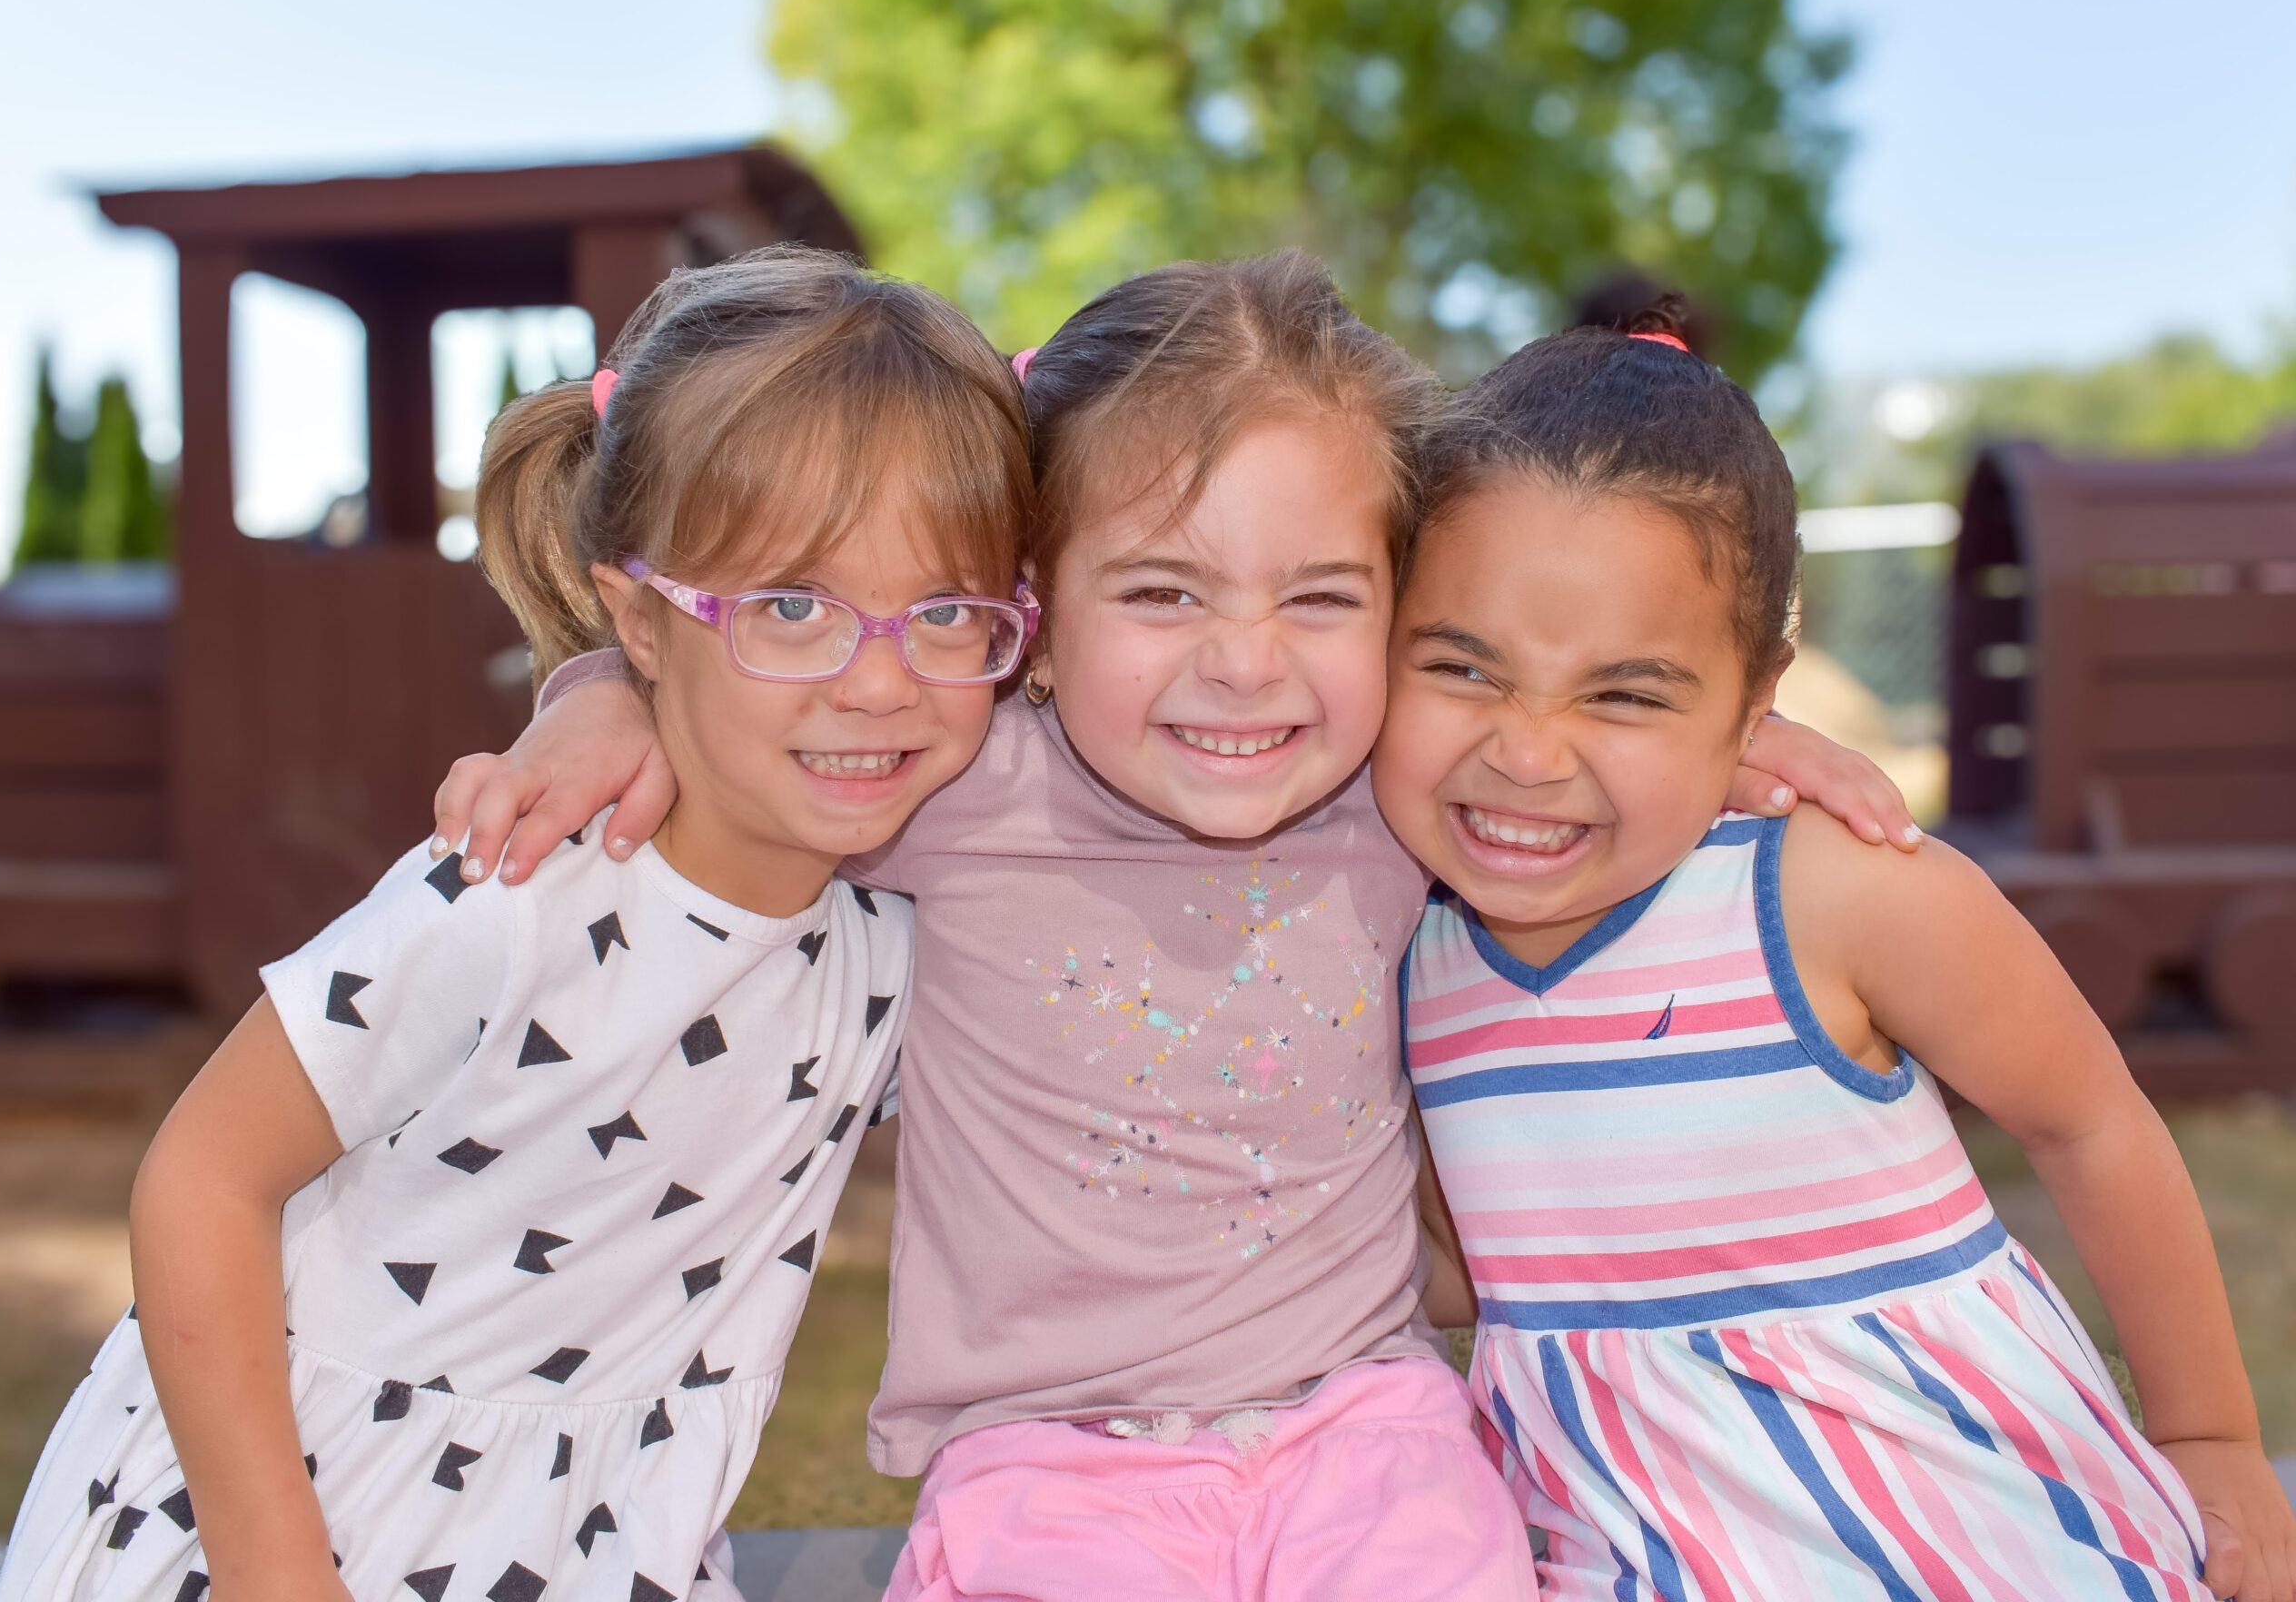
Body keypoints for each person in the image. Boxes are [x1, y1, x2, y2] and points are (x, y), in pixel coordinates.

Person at [436, 253, 1915, 1602]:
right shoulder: (953, 785)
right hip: (1045, 1458)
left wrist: (1735, 743)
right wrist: (601, 695)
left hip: (1367, 1428)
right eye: (1160, 590)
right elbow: (743, 705)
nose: (1245, 665)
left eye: (1321, 598)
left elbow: (1577, 741)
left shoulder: (1399, 797)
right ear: (1036, 612)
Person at [0, 247, 1037, 1602]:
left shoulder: (896, 945)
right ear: (640, 619)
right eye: (791, 607)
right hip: (279, 1523)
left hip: (595, 1549)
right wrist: (274, 1572)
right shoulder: (515, 893)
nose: (879, 682)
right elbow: (202, 1181)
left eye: (946, 613)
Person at [1380, 304, 2296, 1601]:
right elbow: (1476, 1268)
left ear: (1757, 702)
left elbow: (2091, 1122)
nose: (1528, 753)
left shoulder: (1832, 891)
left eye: (1626, 693)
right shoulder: (1401, 950)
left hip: (1962, 1541)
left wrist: (2212, 1436)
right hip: (1631, 1554)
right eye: (1464, 670)